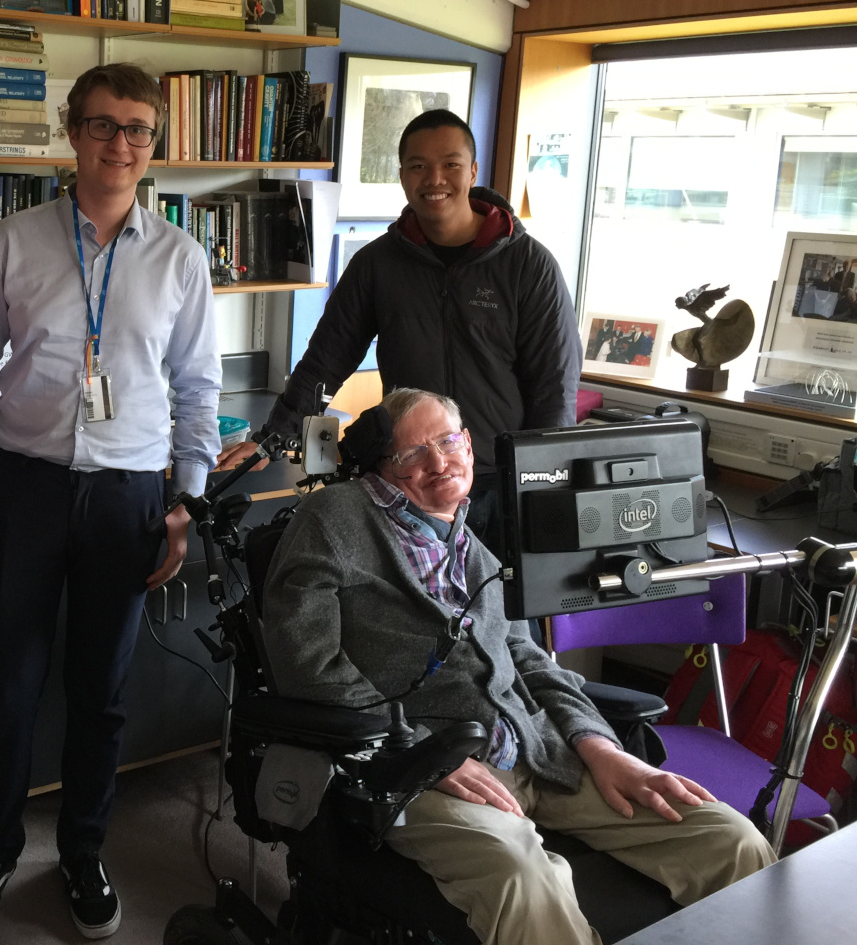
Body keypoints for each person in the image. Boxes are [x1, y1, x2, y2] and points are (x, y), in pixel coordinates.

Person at [260, 388, 776, 945]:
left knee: (730, 839)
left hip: (534, 748)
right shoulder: (334, 519)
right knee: (527, 880)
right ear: (384, 466)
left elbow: (526, 657)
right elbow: (307, 667)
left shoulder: (467, 539)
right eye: (413, 455)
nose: (438, 462)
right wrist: (417, 752)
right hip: (416, 770)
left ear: (470, 446)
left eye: (447, 441)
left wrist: (601, 748)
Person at [0, 62, 223, 940]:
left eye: (139, 129)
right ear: (72, 130)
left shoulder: (180, 256)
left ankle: (82, 851)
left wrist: (188, 499)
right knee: (11, 690)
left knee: (101, 693)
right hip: (24, 487)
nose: (121, 144)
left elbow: (198, 388)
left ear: (154, 143)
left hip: (129, 498)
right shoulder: (14, 240)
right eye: (104, 125)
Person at [219, 109, 582, 553]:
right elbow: (327, 359)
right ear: (403, 176)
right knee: (406, 614)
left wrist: (539, 483)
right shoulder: (377, 264)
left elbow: (555, 386)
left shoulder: (528, 264)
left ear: (472, 171)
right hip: (409, 476)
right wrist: (269, 441)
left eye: (450, 164)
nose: (435, 178)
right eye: (418, 166)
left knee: (496, 615)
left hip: (497, 481)